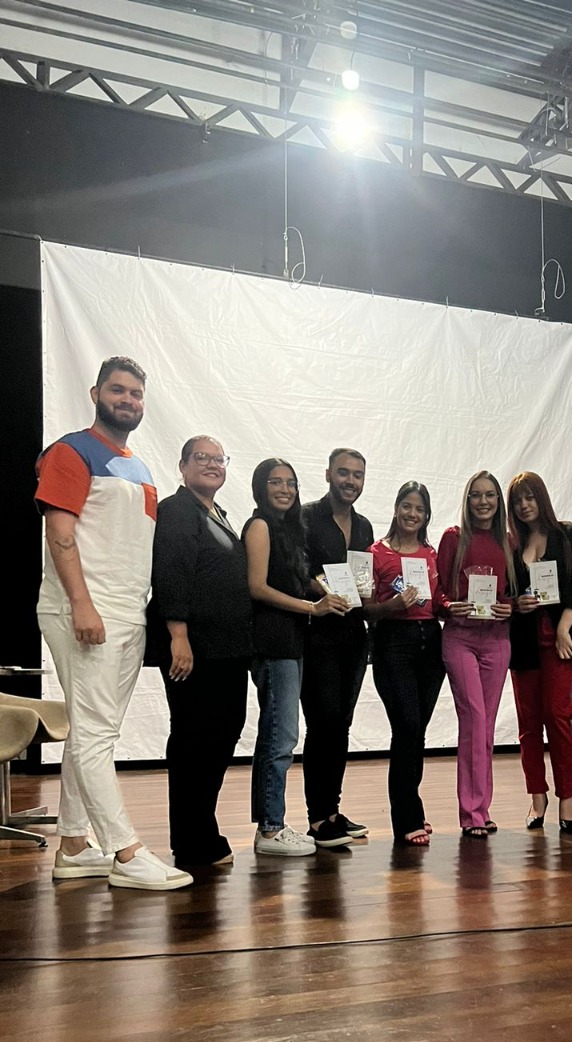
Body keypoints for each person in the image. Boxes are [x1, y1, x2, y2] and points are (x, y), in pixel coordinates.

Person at [36, 356, 192, 890]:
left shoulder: (139, 468)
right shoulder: (70, 451)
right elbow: (60, 533)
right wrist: (81, 604)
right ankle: (125, 852)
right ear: (95, 393)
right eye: (118, 390)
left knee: (91, 731)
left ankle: (74, 845)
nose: (128, 400)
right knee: (96, 733)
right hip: (86, 609)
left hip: (127, 613)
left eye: (136, 394)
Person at [150, 436, 251, 867]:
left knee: (222, 734)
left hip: (225, 650)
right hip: (194, 648)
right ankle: (191, 841)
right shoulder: (177, 510)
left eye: (218, 459)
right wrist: (178, 634)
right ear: (183, 465)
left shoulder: (216, 513)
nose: (212, 465)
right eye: (202, 458)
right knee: (194, 739)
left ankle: (201, 829)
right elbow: (171, 572)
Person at [244, 457, 349, 856]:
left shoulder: (287, 529)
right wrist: (312, 608)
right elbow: (257, 587)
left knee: (280, 735)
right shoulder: (259, 526)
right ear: (261, 486)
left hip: (292, 642)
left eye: (290, 483)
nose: (285, 489)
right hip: (273, 643)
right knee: (280, 737)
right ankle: (271, 829)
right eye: (276, 482)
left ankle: (271, 823)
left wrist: (328, 591)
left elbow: (296, 580)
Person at [507, 471, 572, 834]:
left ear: (541, 498)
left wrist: (563, 627)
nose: (524, 505)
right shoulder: (512, 545)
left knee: (558, 717)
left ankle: (567, 798)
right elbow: (504, 593)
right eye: (517, 500)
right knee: (528, 724)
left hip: (561, 640)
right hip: (524, 642)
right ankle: (537, 795)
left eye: (530, 497)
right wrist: (517, 603)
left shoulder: (569, 534)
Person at [301, 449, 374, 847]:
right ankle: (317, 818)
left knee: (341, 724)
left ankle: (332, 811)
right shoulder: (306, 517)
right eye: (344, 473)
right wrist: (322, 590)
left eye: (357, 475)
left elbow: (365, 580)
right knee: (323, 722)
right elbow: (297, 569)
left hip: (353, 635)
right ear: (328, 474)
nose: (350, 481)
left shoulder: (363, 526)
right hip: (317, 634)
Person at [365, 482, 446, 845]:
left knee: (418, 731)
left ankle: (413, 806)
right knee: (407, 727)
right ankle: (406, 818)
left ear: (426, 515)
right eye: (407, 506)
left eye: (420, 509)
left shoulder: (431, 554)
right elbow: (364, 609)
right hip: (392, 643)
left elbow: (438, 601)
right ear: (396, 508)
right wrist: (391, 607)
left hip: (431, 643)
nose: (413, 514)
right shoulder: (376, 553)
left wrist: (456, 605)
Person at [437, 470, 516, 839]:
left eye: (490, 495)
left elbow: (514, 593)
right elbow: (438, 589)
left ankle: (482, 809)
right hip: (461, 638)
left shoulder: (509, 541)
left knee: (485, 727)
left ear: (498, 501)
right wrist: (448, 606)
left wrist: (508, 607)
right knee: (474, 720)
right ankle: (470, 813)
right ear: (467, 500)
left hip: (497, 640)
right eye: (476, 495)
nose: (483, 502)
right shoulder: (453, 538)